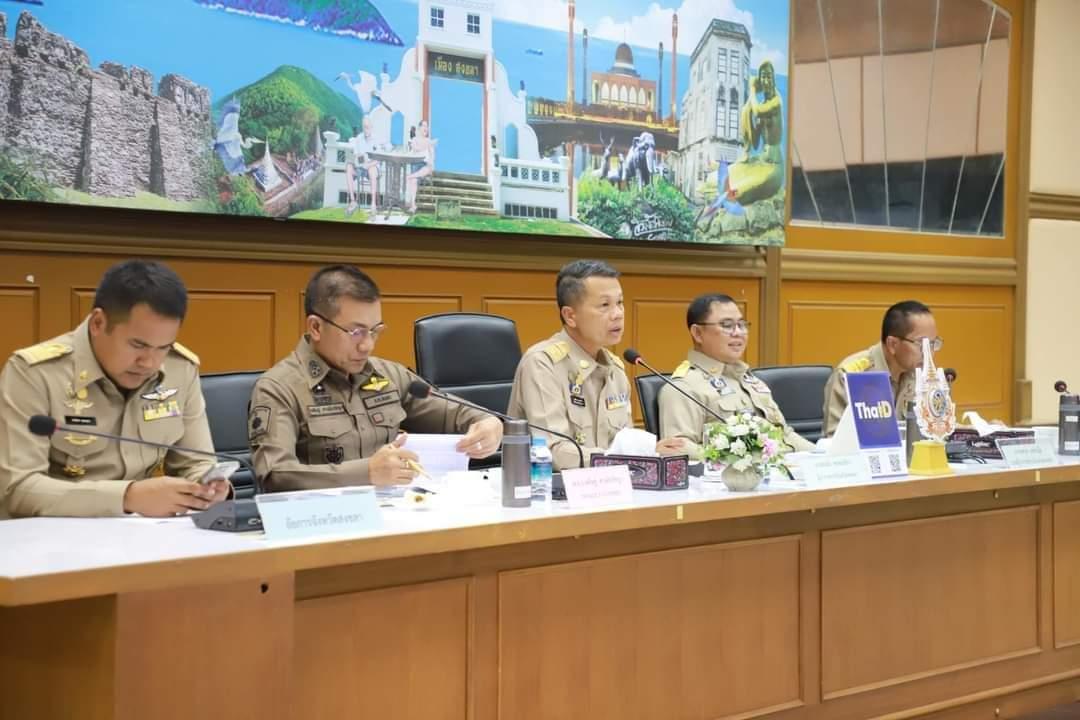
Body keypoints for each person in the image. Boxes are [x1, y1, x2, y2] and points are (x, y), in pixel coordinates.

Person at [0, 260, 228, 519]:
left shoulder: (180, 369)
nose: (150, 363)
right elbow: (18, 489)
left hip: (143, 532)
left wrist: (208, 488)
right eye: (138, 345)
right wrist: (127, 497)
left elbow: (197, 462)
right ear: (98, 323)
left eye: (163, 347)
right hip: (51, 535)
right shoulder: (34, 374)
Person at [249, 265, 502, 491]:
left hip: (395, 513)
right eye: (355, 332)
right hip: (320, 520)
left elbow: (455, 413)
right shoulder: (279, 388)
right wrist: (367, 473)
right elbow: (275, 475)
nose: (367, 345)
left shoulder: (388, 376)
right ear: (316, 327)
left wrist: (488, 423)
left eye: (375, 331)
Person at [507, 259, 684, 470]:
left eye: (620, 302)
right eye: (604, 305)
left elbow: (623, 441)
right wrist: (632, 457)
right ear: (570, 316)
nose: (618, 314)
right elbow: (553, 452)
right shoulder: (542, 364)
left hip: (608, 483)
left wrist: (647, 452)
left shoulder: (615, 369)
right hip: (549, 486)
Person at [659, 294, 814, 460]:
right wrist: (741, 460)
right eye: (727, 325)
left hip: (787, 470)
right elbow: (677, 449)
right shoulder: (683, 387)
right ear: (698, 333)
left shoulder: (750, 381)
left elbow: (785, 434)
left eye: (742, 324)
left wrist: (822, 456)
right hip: (735, 475)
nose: (738, 333)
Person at [822, 300, 941, 437]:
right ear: (892, 344)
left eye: (933, 344)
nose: (929, 353)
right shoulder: (852, 375)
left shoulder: (921, 375)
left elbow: (932, 429)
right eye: (921, 344)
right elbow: (834, 439)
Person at [345, 116, 380, 216]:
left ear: (371, 127)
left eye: (368, 127)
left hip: (372, 166)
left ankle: (373, 204)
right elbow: (357, 156)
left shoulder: (376, 139)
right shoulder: (359, 138)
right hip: (361, 167)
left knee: (372, 169)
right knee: (349, 167)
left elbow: (378, 159)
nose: (366, 129)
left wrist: (368, 164)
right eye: (364, 127)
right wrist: (362, 162)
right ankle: (353, 201)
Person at [405, 120, 437, 213]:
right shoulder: (415, 140)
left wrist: (431, 162)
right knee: (413, 180)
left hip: (425, 166)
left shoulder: (429, 141)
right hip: (416, 164)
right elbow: (416, 149)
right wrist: (427, 145)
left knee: (428, 168)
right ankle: (413, 205)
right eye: (424, 126)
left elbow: (432, 156)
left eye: (427, 126)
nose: (426, 128)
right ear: (419, 128)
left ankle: (409, 176)